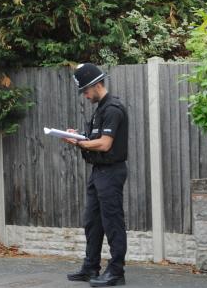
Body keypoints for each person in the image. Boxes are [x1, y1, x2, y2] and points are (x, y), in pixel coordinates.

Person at [63, 63, 129, 287]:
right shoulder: (101, 109)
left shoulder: (112, 109)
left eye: (85, 90)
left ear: (96, 84)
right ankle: (91, 267)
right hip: (98, 173)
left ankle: (116, 272)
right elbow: (94, 138)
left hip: (111, 172)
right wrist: (78, 136)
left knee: (112, 222)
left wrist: (81, 143)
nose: (84, 95)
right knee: (92, 222)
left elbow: (104, 144)